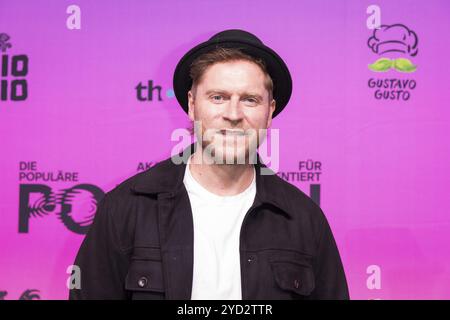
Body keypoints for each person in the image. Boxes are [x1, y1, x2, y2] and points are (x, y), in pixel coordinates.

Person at [69, 29, 349, 300]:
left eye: (250, 100)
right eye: (218, 97)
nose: (233, 114)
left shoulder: (304, 219)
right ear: (192, 105)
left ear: (270, 112)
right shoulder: (126, 208)